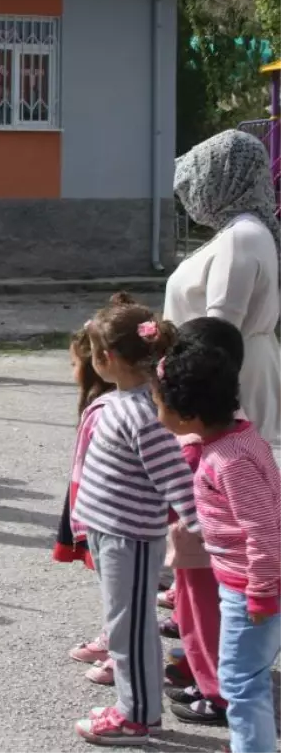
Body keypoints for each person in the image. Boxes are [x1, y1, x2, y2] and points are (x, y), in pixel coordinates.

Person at [70, 300, 201, 744]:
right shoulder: (123, 403)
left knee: (131, 628)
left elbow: (178, 483)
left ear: (106, 357)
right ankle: (134, 706)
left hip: (131, 539)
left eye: (91, 351)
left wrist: (210, 533)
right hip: (111, 534)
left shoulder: (143, 414)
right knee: (124, 624)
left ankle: (137, 716)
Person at [155, 320, 281, 752]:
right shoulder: (239, 440)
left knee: (241, 682)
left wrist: (261, 592)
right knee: (244, 676)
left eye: (160, 406)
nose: (156, 414)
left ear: (188, 416)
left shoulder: (228, 462)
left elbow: (262, 527)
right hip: (241, 584)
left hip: (250, 590)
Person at [156, 318, 247, 729]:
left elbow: (173, 502)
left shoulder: (201, 451)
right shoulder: (230, 430)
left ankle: (217, 695)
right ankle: (203, 678)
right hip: (202, 554)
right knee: (196, 620)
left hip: (203, 555)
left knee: (204, 622)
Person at [169, 129, 281, 443]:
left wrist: (184, 396)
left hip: (223, 386)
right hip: (234, 375)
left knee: (224, 482)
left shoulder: (239, 238)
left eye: (200, 180)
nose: (191, 192)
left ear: (226, 179)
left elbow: (218, 334)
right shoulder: (247, 230)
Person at [53, 321, 116, 685]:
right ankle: (112, 637)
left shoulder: (109, 408)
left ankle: (121, 656)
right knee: (110, 582)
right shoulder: (98, 402)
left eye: (74, 363)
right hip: (98, 511)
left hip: (114, 516)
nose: (71, 370)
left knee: (123, 591)